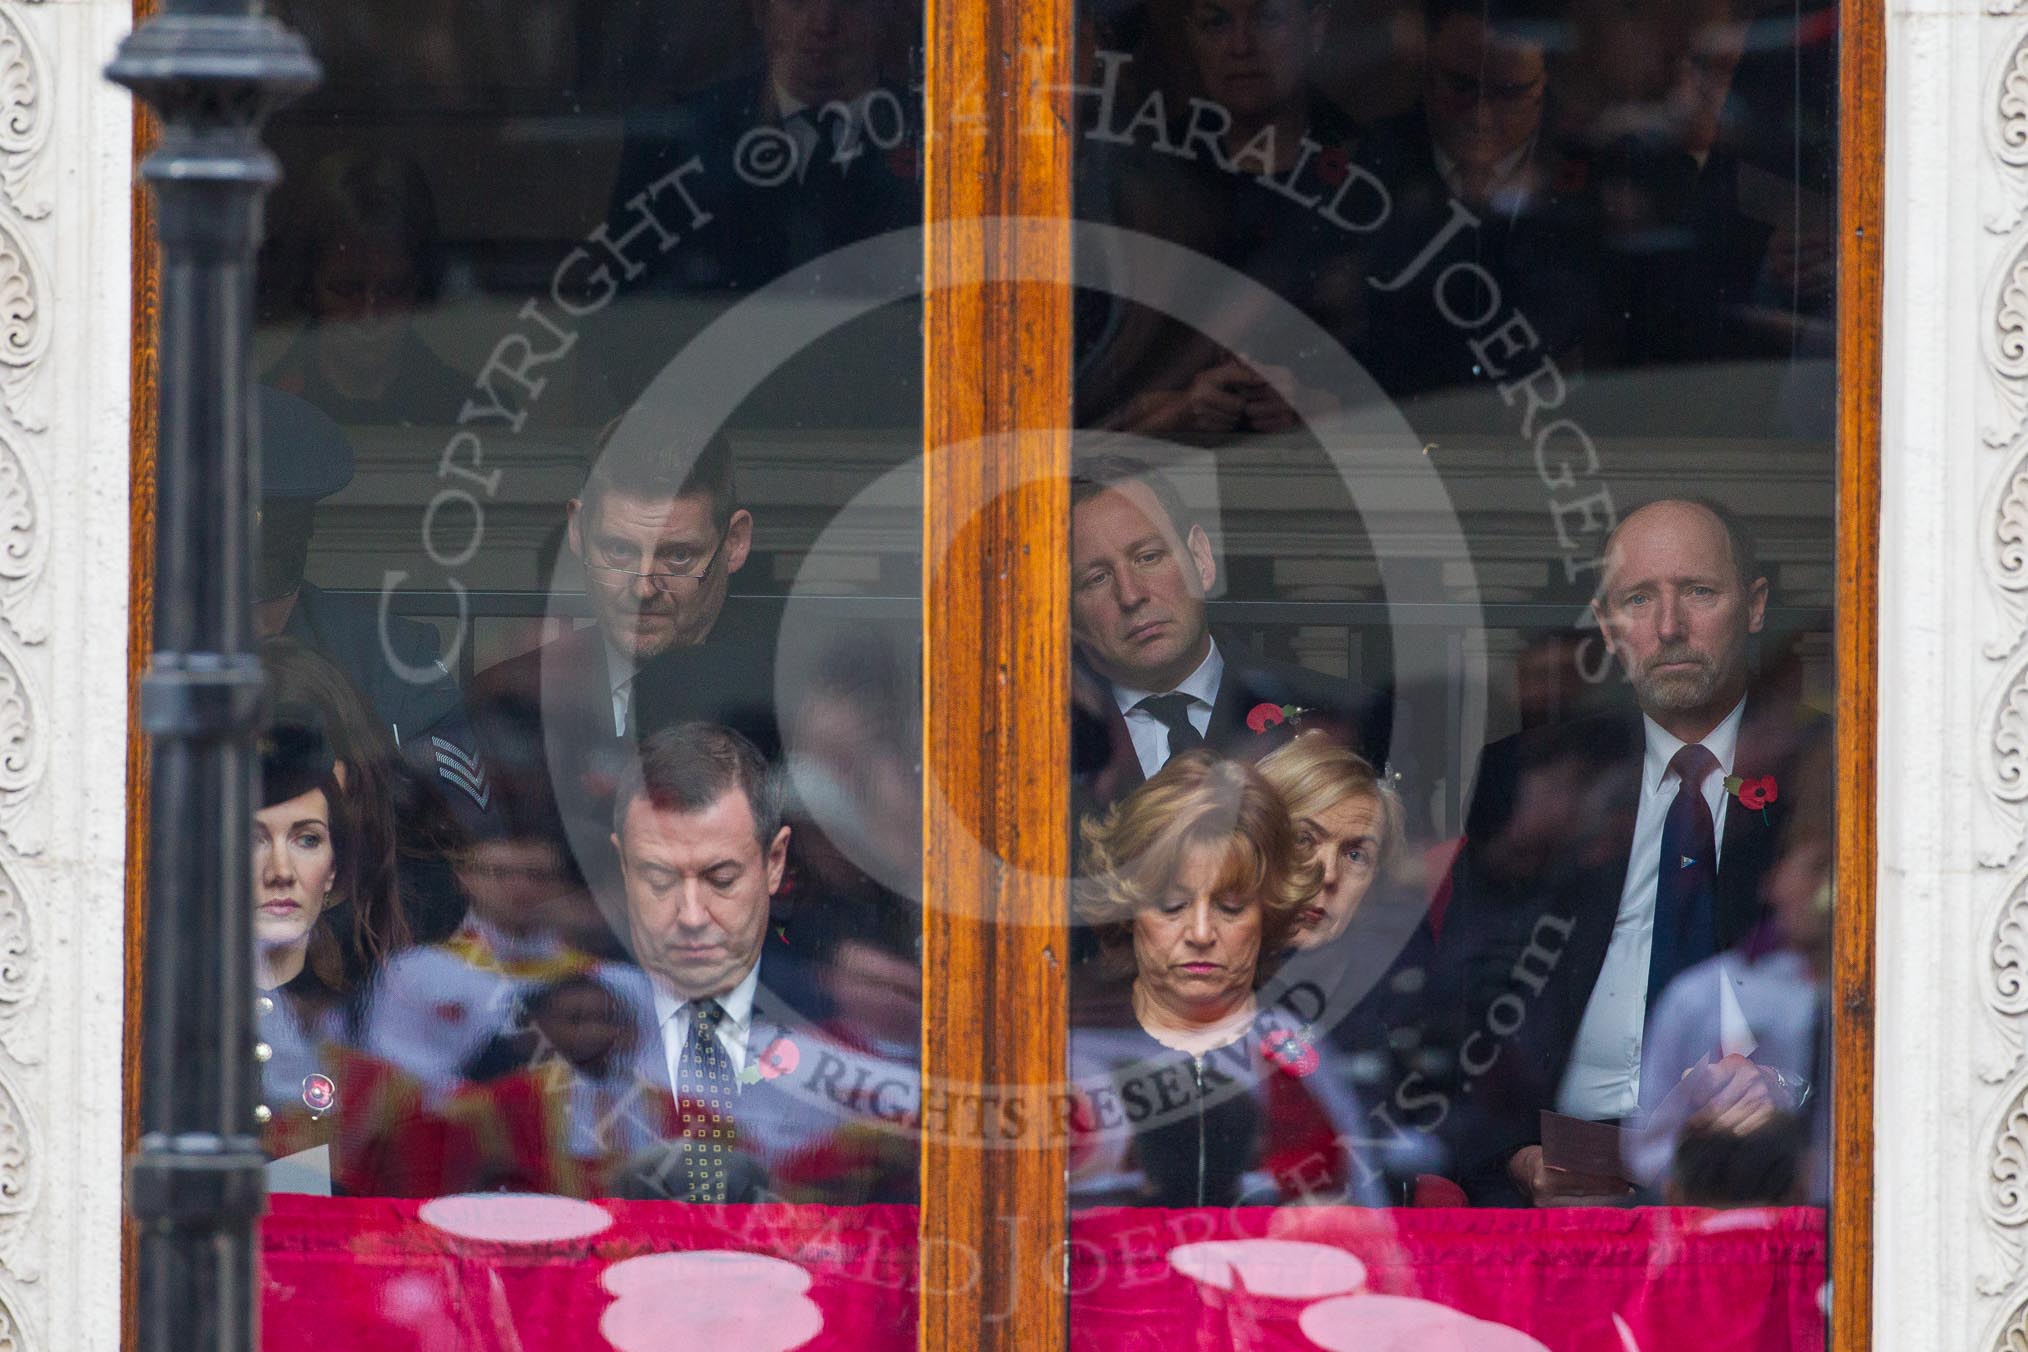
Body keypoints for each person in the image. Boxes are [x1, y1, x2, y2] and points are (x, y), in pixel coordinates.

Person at [1436, 497, 1816, 1205]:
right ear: (1610, 626)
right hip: (1562, 1188)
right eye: (1639, 600)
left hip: (1766, 1177)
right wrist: (1512, 1154)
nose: (1669, 627)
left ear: (1755, 606)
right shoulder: (1542, 785)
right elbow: (1457, 1000)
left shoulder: (1830, 777)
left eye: (1699, 592)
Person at [596, 722, 915, 1205]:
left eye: (721, 874)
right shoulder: (601, 991)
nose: (692, 907)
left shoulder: (813, 999)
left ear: (774, 859)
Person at [1067, 751, 1381, 1208]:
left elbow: (1369, 1239)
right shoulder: (1042, 1055)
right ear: (1128, 912)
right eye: (1171, 904)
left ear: (1268, 916)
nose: (1199, 934)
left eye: (1231, 907)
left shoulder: (1287, 1054)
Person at [1069, 453, 1384, 812]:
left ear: (1201, 560)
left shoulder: (1326, 717)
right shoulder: (1056, 752)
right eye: (1096, 578)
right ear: (1066, 613)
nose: (1131, 595)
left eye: (1149, 557)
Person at [1353, 0, 1602, 403]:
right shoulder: (1368, 166)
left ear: (1546, 82)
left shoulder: (1598, 177)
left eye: (1509, 92)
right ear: (1426, 69)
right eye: (1461, 87)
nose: (1481, 117)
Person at [253, 708, 437, 1196]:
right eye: (254, 840)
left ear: (334, 868)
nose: (280, 871)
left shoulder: (377, 988)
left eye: (307, 840)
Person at [253, 385, 465, 749]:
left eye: (262, 584)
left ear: (303, 542)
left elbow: (444, 805)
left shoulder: (392, 665)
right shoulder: (123, 657)